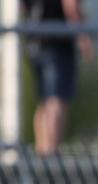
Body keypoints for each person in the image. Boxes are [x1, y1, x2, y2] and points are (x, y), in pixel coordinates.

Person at [23, 0, 92, 155]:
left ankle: (42, 152)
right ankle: (51, 153)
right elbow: (71, 5)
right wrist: (84, 37)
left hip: (34, 43)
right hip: (57, 44)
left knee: (44, 102)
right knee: (56, 100)